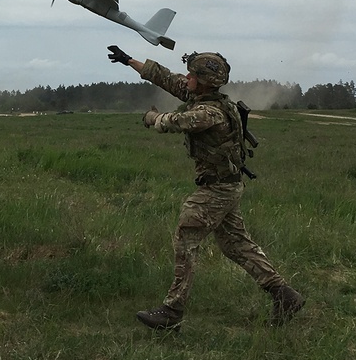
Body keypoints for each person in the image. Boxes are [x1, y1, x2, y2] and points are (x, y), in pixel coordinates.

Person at [107, 44, 304, 330]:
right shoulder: (200, 95)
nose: (185, 79)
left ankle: (171, 312)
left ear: (203, 81)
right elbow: (164, 77)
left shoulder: (210, 112)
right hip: (227, 186)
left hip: (217, 190)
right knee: (236, 245)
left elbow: (178, 121)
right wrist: (128, 61)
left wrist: (152, 118)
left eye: (191, 76)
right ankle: (284, 295)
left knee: (186, 238)